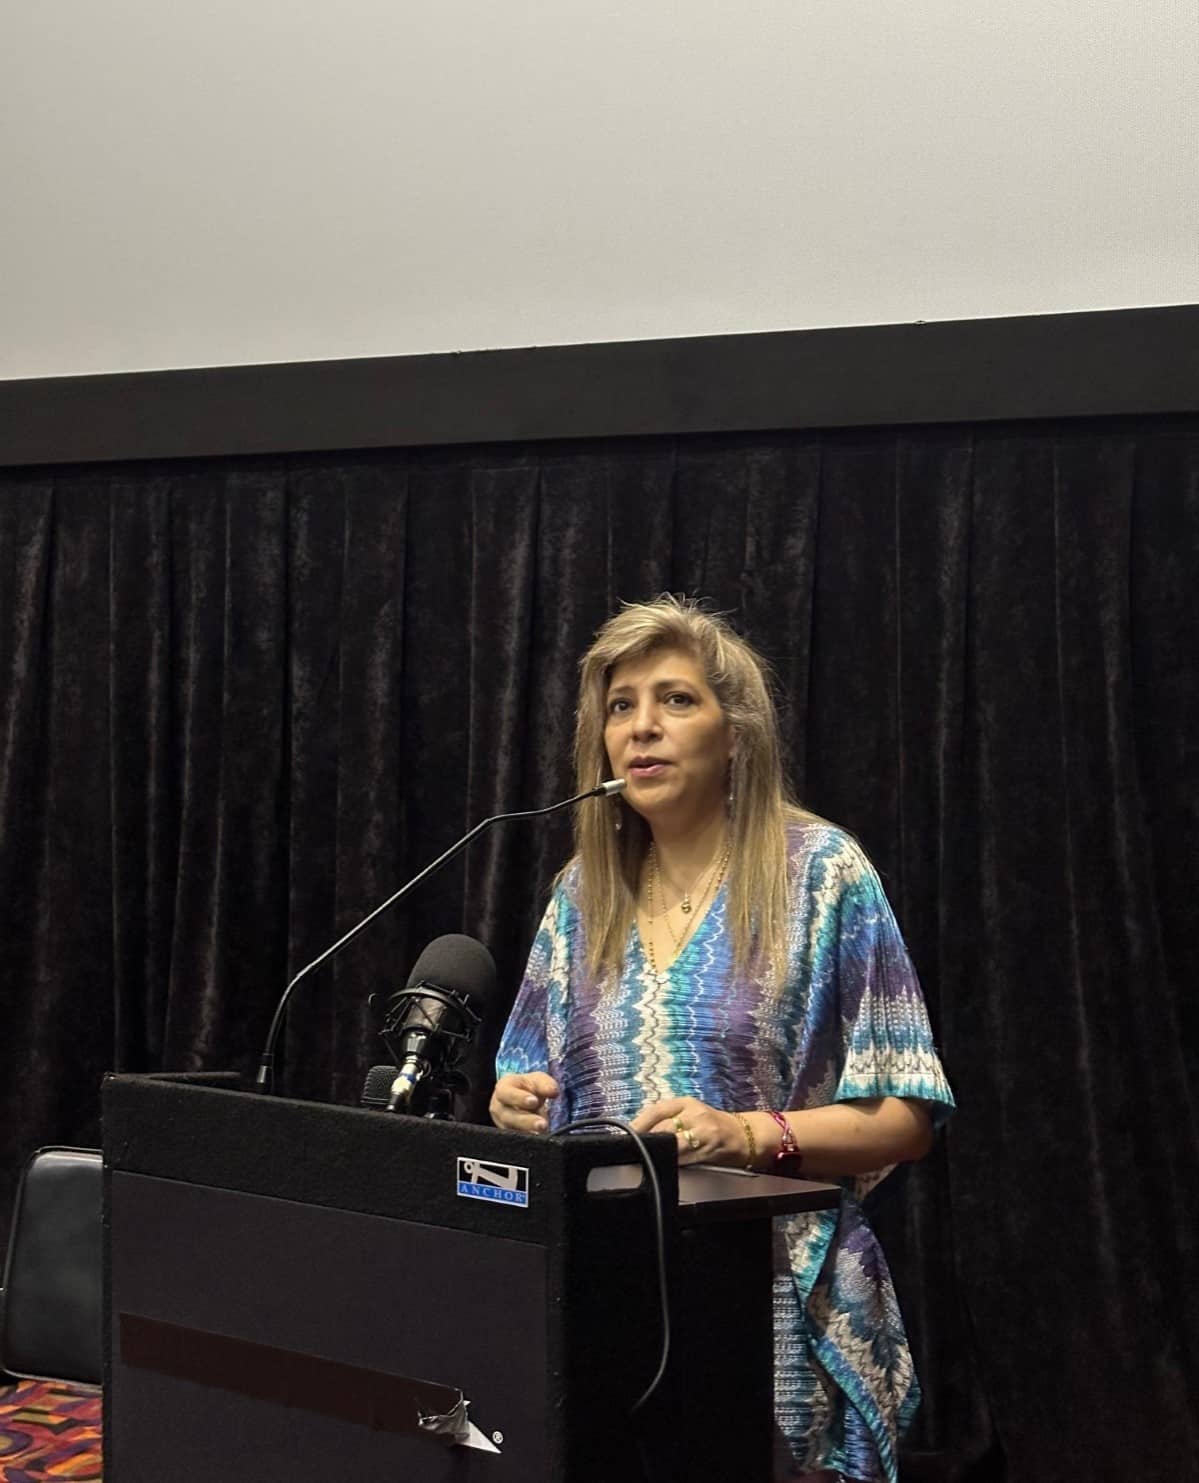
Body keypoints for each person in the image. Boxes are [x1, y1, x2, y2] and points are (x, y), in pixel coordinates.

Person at [490, 595, 954, 1483]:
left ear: (734, 733)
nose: (641, 727)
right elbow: (526, 1080)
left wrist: (745, 1133)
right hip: (601, 1306)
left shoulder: (822, 874)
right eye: (619, 706)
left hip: (769, 1306)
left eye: (675, 699)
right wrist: (513, 1102)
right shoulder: (580, 893)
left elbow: (905, 1119)